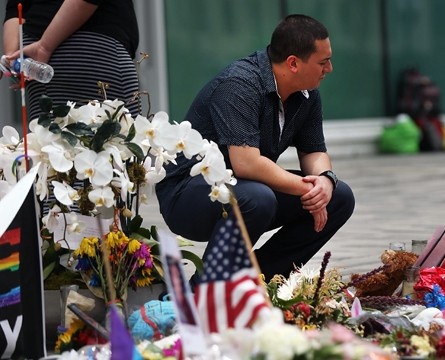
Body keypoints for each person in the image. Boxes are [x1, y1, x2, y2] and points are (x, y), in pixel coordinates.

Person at [156, 14, 355, 282]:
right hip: (186, 196)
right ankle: (204, 290)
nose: (329, 68)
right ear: (293, 63)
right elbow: (246, 163)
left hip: (243, 188)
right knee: (257, 197)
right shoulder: (239, 84)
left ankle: (258, 281)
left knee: (339, 196)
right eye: (323, 62)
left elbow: (313, 151)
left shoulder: (307, 92)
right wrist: (309, 190)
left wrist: (325, 182)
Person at [3, 0, 140, 119]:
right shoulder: (44, 48)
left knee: (51, 144)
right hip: (93, 52)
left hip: (37, 66)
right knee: (115, 142)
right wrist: (44, 47)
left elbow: (14, 9)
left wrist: (13, 59)